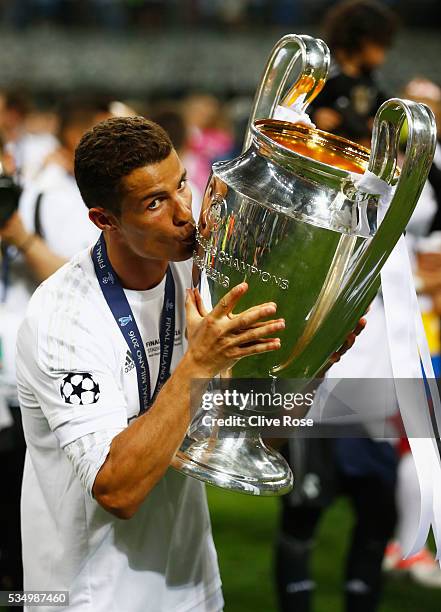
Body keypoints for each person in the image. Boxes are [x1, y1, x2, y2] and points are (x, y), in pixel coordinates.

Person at [16, 115, 361, 612]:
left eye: (182, 184)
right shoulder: (63, 320)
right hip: (90, 598)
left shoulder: (204, 276)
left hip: (192, 588)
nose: (185, 212)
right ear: (104, 219)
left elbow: (256, 434)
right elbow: (117, 490)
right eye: (154, 202)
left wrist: (311, 363)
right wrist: (199, 363)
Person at [309, 0, 398, 147]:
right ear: (363, 41)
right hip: (325, 147)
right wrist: (316, 115)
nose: (383, 55)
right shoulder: (327, 74)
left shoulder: (370, 79)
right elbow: (298, 106)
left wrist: (377, 121)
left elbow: (381, 107)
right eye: (381, 46)